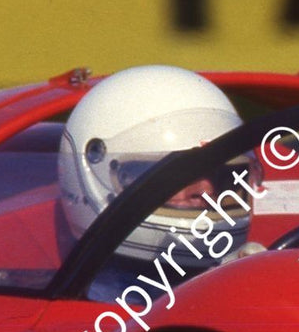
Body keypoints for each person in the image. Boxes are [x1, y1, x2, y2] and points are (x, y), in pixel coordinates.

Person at [58, 65, 259, 300]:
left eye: (222, 176)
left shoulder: (233, 274)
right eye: (178, 175)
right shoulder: (104, 312)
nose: (207, 190)